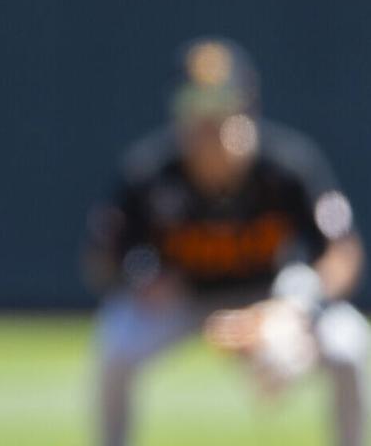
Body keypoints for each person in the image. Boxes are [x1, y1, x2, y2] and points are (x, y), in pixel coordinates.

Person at [85, 37, 367, 446]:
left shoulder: (287, 167)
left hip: (269, 295)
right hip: (184, 298)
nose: (209, 125)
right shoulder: (150, 173)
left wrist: (299, 309)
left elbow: (344, 251)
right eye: (196, 110)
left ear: (247, 110)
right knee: (115, 346)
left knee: (350, 345)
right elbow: (102, 254)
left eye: (220, 109)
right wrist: (142, 278)